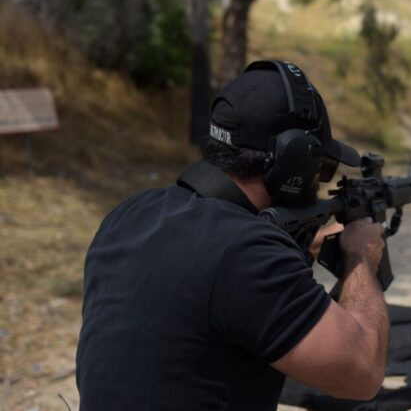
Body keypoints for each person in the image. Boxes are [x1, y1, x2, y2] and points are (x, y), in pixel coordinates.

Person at [76, 60, 390, 410]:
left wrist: (295, 250)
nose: (321, 182)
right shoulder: (245, 251)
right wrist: (360, 255)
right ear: (295, 164)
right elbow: (362, 374)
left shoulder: (130, 214)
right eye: (323, 168)